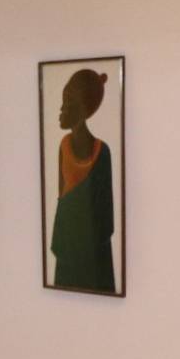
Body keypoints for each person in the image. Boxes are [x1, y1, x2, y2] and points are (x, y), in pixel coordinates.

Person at [49, 68, 116, 293]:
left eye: (67, 101)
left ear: (84, 108)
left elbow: (105, 218)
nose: (61, 108)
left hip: (93, 257)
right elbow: (61, 200)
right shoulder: (64, 146)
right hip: (67, 250)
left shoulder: (102, 152)